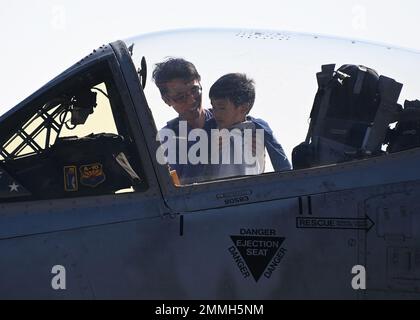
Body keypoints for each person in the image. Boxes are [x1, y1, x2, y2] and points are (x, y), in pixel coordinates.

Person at [153, 58, 291, 184]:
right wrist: (204, 156)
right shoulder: (166, 141)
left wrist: (257, 158)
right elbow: (175, 192)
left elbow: (281, 170)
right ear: (167, 100)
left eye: (194, 90)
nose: (191, 100)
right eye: (181, 97)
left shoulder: (236, 120)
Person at [206, 73, 266, 179]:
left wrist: (260, 154)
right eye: (213, 107)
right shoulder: (211, 136)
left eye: (222, 108)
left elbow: (258, 171)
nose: (216, 113)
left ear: (243, 108)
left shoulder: (254, 136)